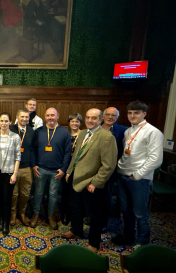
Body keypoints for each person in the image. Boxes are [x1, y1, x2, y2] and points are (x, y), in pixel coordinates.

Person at [62, 108, 117, 253]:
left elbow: (109, 165)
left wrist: (96, 182)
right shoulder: (83, 134)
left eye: (94, 118)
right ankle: (76, 230)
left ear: (100, 120)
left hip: (92, 183)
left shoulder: (106, 137)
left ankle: (94, 243)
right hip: (76, 178)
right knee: (76, 207)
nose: (90, 120)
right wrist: (69, 172)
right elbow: (76, 155)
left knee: (95, 215)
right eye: (88, 117)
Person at [112, 101, 163, 248]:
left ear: (144, 114)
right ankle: (128, 235)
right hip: (123, 175)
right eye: (130, 112)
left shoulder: (153, 132)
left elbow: (156, 159)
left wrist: (138, 174)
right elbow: (126, 153)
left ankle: (142, 242)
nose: (132, 115)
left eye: (136, 112)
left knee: (140, 212)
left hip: (139, 179)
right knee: (126, 210)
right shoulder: (128, 131)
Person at [30, 108, 71, 230]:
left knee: (53, 194)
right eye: (47, 115)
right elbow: (33, 149)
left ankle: (50, 215)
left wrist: (63, 169)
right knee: (38, 192)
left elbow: (67, 152)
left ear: (57, 116)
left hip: (56, 170)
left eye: (52, 115)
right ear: (45, 117)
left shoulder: (64, 132)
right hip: (40, 168)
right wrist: (33, 165)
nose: (50, 117)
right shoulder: (39, 131)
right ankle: (36, 214)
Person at [0, 112, 21, 236]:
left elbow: (18, 156)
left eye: (6, 121)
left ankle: (6, 222)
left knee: (7, 199)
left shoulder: (15, 137)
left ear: (10, 122)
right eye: (2, 121)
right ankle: (0, 220)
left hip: (9, 173)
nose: (4, 123)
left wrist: (15, 173)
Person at [101, 107, 127, 230]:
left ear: (117, 117)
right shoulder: (96, 128)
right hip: (96, 168)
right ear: (103, 116)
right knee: (95, 194)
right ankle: (93, 217)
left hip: (113, 170)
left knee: (106, 196)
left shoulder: (124, 131)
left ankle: (103, 223)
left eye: (113, 115)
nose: (110, 117)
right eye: (108, 114)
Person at [10, 108, 35, 226]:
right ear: (17, 117)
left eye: (26, 117)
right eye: (22, 117)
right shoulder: (10, 130)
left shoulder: (31, 131)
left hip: (26, 168)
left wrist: (33, 165)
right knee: (14, 194)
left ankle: (22, 213)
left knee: (25, 193)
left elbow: (33, 150)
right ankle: (13, 214)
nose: (24, 119)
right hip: (12, 167)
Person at [60, 112, 82, 225]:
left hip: (78, 168)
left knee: (76, 194)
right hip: (65, 166)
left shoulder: (83, 135)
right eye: (72, 121)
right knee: (65, 193)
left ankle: (75, 216)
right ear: (69, 123)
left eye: (77, 121)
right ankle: (65, 214)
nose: (74, 123)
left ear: (80, 123)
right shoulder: (65, 134)